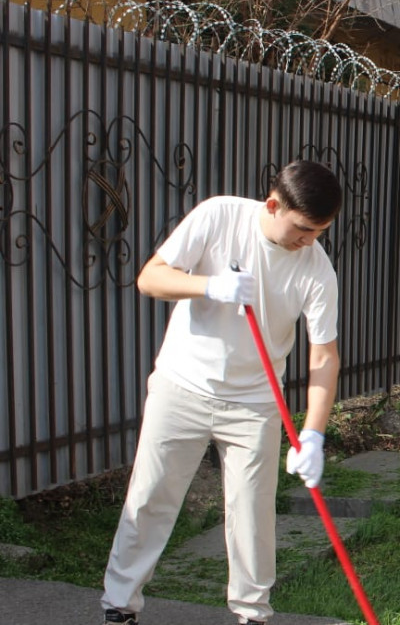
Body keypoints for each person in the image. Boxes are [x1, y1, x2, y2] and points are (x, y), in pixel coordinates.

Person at [101, 160, 343, 625]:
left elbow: (324, 357)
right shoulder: (219, 216)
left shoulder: (317, 268)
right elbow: (150, 278)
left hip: (255, 404)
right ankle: (119, 605)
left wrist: (313, 434)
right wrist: (210, 285)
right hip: (182, 385)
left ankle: (252, 614)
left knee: (252, 515)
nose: (309, 240)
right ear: (273, 205)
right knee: (150, 498)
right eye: (302, 228)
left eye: (319, 231)